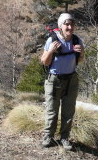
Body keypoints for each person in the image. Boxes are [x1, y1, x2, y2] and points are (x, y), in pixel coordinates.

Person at [40, 13, 85, 150]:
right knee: (52, 110)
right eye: (66, 24)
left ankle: (64, 138)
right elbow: (44, 61)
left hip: (71, 79)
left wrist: (82, 52)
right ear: (60, 26)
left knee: (68, 111)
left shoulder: (77, 40)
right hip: (54, 80)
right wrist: (51, 51)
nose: (69, 27)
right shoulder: (52, 40)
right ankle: (48, 137)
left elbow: (80, 60)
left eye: (72, 24)